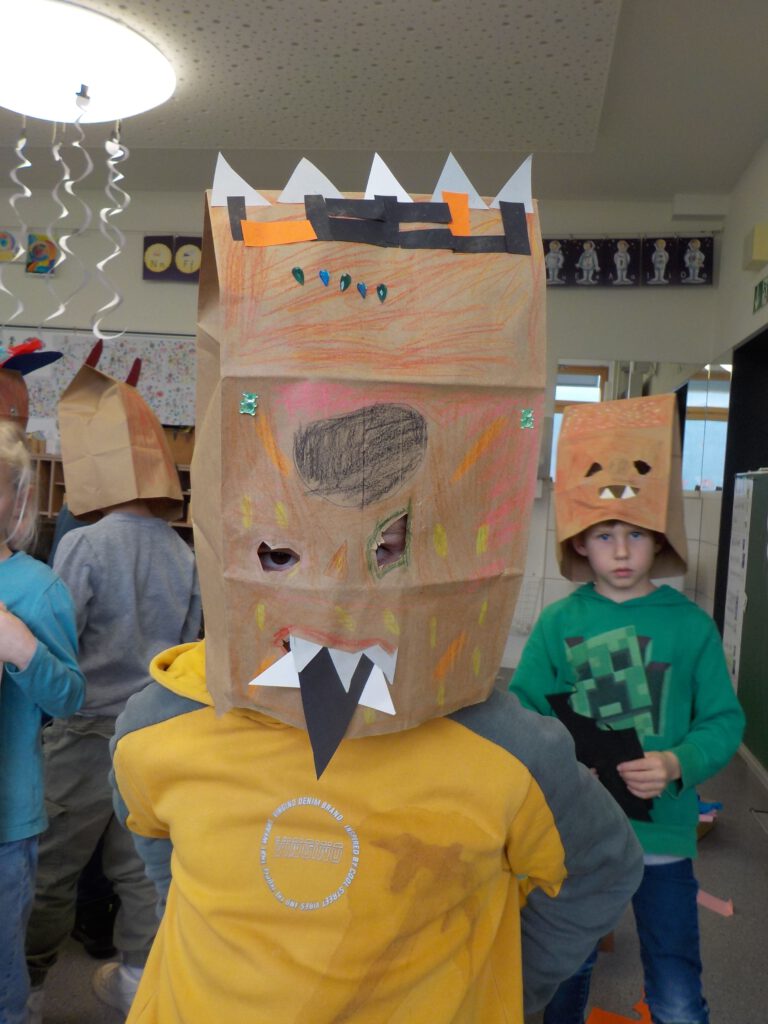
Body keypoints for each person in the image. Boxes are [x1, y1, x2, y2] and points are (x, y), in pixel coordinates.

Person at [108, 158, 644, 1023]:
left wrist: (505, 989)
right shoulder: (161, 722)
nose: (337, 595)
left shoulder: (507, 749)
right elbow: (156, 850)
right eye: (281, 551)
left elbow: (602, 872)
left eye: (390, 547)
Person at [510, 394, 746, 1024]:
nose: (620, 551)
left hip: (664, 837)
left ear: (658, 537)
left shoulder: (690, 628)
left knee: (675, 980)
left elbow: (724, 721)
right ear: (581, 543)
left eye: (635, 534)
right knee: (564, 971)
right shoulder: (558, 624)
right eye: (604, 535)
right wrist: (564, 767)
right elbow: (523, 714)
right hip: (578, 836)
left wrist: (675, 762)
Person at [25, 363, 202, 1022]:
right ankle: (134, 977)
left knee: (53, 863)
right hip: (152, 732)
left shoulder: (86, 544)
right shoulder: (182, 554)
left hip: (84, 727)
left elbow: (60, 633)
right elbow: (186, 648)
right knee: (141, 864)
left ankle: (32, 982)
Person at [0, 421, 85, 1024]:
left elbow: (70, 698)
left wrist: (23, 649)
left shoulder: (37, 589)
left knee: (2, 965)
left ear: (17, 500)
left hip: (6, 822)